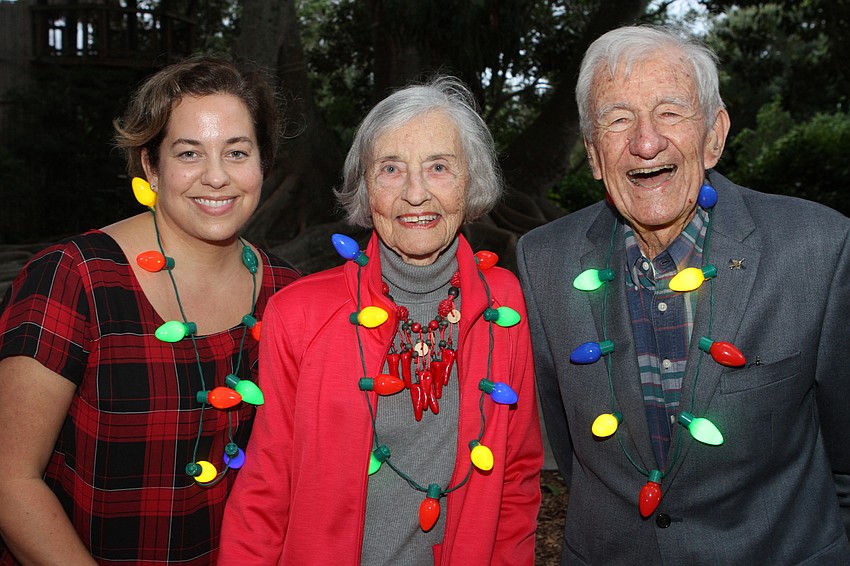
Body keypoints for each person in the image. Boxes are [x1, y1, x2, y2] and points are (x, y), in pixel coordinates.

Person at [517, 24, 850, 564]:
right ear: (595, 155)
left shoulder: (817, 247)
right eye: (618, 119)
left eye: (671, 112)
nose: (646, 142)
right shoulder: (543, 262)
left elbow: (845, 455)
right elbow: (568, 442)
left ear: (715, 135)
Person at [219, 75, 543, 565]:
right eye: (391, 168)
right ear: (366, 188)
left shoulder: (504, 305)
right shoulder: (300, 314)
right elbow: (265, 485)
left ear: (470, 182)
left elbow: (516, 476)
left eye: (438, 167)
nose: (415, 194)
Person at [0, 55, 300, 564]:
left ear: (262, 164)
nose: (216, 177)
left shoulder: (288, 294)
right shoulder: (74, 279)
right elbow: (11, 479)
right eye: (188, 153)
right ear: (150, 165)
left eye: (237, 152)